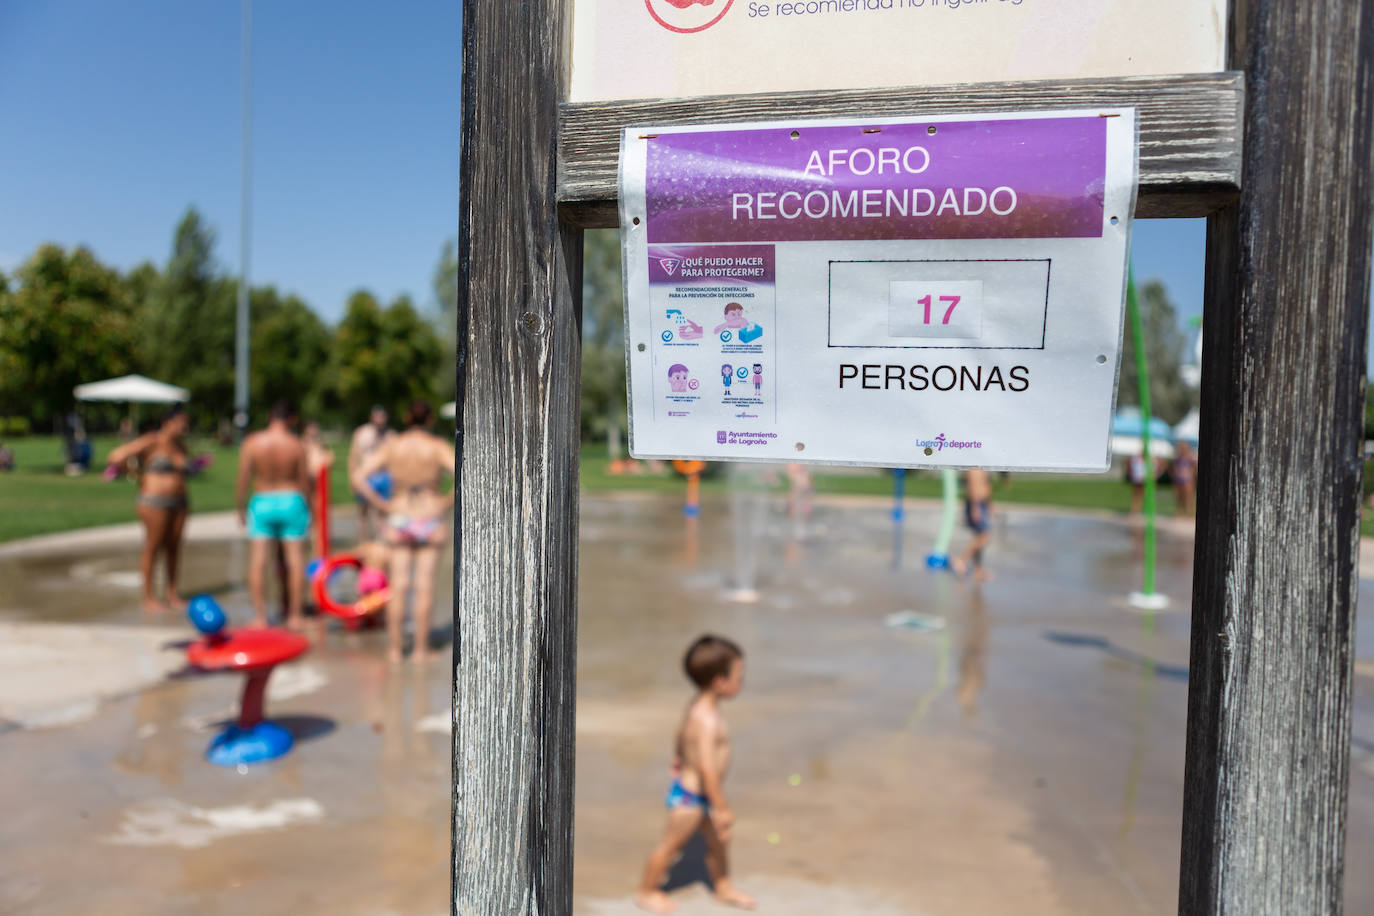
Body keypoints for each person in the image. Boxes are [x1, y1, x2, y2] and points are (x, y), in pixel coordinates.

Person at [634, 635, 755, 914]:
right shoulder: (708, 719)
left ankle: (723, 886)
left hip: (699, 795)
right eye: (739, 677)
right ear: (720, 682)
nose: (742, 682)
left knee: (718, 842)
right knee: (670, 846)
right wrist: (722, 808)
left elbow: (681, 733)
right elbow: (707, 769)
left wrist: (678, 757)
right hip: (691, 799)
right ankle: (647, 891)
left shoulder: (697, 706)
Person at [352, 399, 454, 664]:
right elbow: (464, 473)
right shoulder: (437, 446)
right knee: (424, 587)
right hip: (429, 515)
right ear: (430, 419)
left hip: (399, 515)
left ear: (407, 419)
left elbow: (358, 477)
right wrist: (446, 501)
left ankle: (395, 650)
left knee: (398, 586)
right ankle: (420, 650)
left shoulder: (393, 446)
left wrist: (381, 504)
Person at [107, 406, 192, 613]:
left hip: (179, 502)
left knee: (174, 548)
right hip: (154, 502)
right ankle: (148, 597)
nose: (184, 427)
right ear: (167, 423)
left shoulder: (181, 446)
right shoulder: (152, 441)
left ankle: (172, 593)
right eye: (181, 422)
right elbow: (116, 456)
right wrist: (136, 474)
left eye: (186, 423)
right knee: (153, 547)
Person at [237, 401, 313, 629]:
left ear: (270, 416)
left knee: (258, 560)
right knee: (295, 559)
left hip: (262, 500)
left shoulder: (252, 442)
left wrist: (240, 508)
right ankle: (295, 615)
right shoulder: (296, 444)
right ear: (292, 419)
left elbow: (243, 479)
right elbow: (304, 481)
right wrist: (308, 508)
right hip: (291, 499)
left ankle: (260, 617)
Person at [349, 405, 393, 540]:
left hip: (384, 476)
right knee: (363, 511)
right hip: (366, 477)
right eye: (377, 417)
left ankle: (382, 540)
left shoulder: (391, 435)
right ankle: (363, 541)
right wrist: (352, 477)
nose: (379, 420)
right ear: (372, 417)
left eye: (382, 417)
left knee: (383, 511)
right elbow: (353, 457)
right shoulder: (362, 433)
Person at [951, 468, 993, 581]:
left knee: (979, 537)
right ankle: (961, 559)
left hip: (982, 503)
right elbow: (972, 487)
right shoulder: (973, 468)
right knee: (984, 536)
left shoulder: (983, 466)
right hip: (976, 504)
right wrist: (975, 507)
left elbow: (986, 485)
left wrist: (989, 505)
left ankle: (978, 569)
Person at [1172, 441, 1198, 518]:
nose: (1181, 449)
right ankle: (1179, 513)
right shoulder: (1178, 457)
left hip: (1188, 479)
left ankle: (1189, 513)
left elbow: (1195, 467)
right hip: (1178, 479)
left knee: (1188, 497)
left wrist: (1192, 474)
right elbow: (1174, 468)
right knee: (1179, 497)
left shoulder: (1190, 457)